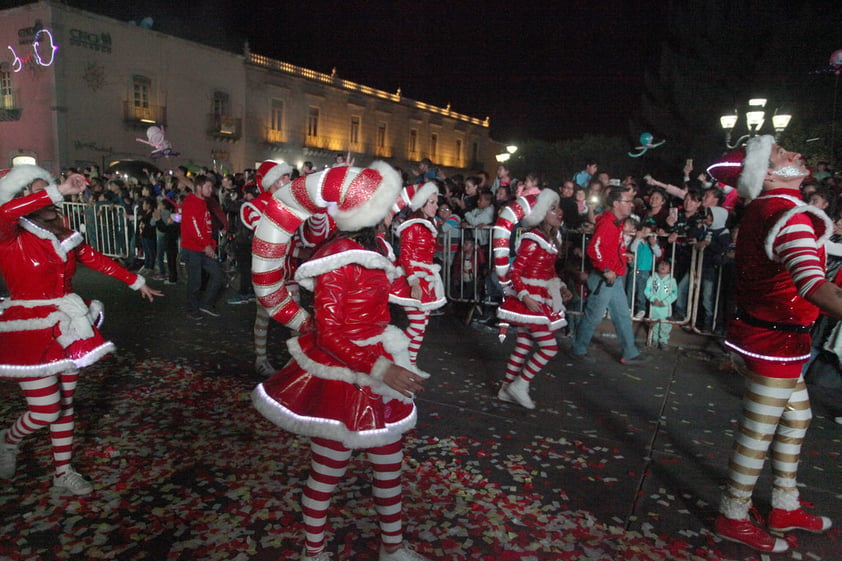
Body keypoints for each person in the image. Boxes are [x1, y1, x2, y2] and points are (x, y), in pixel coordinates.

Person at [251, 163, 432, 561]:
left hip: (377, 364)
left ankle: (392, 547)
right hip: (345, 375)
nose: (392, 212)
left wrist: (413, 284)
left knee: (389, 463)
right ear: (368, 211)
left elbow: (387, 286)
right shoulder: (335, 258)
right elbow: (330, 335)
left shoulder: (379, 249)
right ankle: (312, 552)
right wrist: (383, 368)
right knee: (328, 471)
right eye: (386, 205)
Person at [707, 136, 838, 553]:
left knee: (796, 419)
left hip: (772, 337)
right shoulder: (787, 215)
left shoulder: (768, 209)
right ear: (764, 172)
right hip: (775, 342)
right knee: (757, 433)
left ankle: (784, 505)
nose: (797, 155)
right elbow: (815, 288)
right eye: (784, 153)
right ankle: (732, 514)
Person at [0, 165, 161, 494]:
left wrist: (135, 281)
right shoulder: (8, 234)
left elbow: (91, 257)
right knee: (46, 409)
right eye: (34, 191)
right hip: (29, 327)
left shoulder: (61, 232)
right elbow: (4, 211)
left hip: (67, 323)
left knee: (66, 403)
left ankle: (62, 472)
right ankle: (7, 440)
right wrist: (59, 190)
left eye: (46, 191)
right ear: (19, 197)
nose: (44, 197)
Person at [495, 189, 571, 409]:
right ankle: (520, 385)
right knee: (549, 348)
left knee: (523, 344)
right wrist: (525, 296)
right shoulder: (532, 239)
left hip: (539, 298)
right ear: (541, 213)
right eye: (553, 208)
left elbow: (549, 273)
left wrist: (562, 286)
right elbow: (515, 270)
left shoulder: (552, 239)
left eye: (558, 207)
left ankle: (505, 389)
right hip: (529, 301)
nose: (559, 212)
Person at [569, 186, 647, 364]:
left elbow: (605, 249)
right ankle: (578, 349)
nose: (631, 205)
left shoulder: (614, 222)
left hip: (613, 278)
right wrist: (606, 270)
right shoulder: (608, 224)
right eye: (627, 201)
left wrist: (621, 257)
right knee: (594, 316)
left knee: (621, 315)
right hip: (605, 279)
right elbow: (593, 249)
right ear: (616, 203)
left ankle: (630, 352)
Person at [390, 182, 447, 364]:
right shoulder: (412, 225)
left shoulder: (430, 224)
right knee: (417, 325)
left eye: (436, 202)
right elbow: (405, 256)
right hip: (412, 279)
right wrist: (413, 281)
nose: (436, 206)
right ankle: (393, 355)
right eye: (432, 202)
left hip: (426, 278)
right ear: (422, 203)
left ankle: (410, 363)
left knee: (422, 326)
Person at [180, 174, 225, 319]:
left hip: (203, 247)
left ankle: (206, 303)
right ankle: (192, 309)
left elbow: (205, 226)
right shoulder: (191, 202)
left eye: (211, 187)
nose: (211, 190)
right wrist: (206, 245)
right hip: (193, 249)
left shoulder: (202, 202)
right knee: (195, 281)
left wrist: (210, 244)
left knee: (217, 275)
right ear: (199, 188)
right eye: (208, 187)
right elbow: (194, 227)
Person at [644, 259, 678, 348]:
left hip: (665, 307)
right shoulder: (652, 278)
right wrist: (653, 299)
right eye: (661, 264)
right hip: (654, 305)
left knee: (665, 324)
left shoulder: (672, 280)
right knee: (654, 323)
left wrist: (665, 302)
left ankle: (663, 341)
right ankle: (654, 339)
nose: (663, 266)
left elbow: (674, 293)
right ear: (657, 267)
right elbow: (647, 290)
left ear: (670, 269)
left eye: (666, 265)